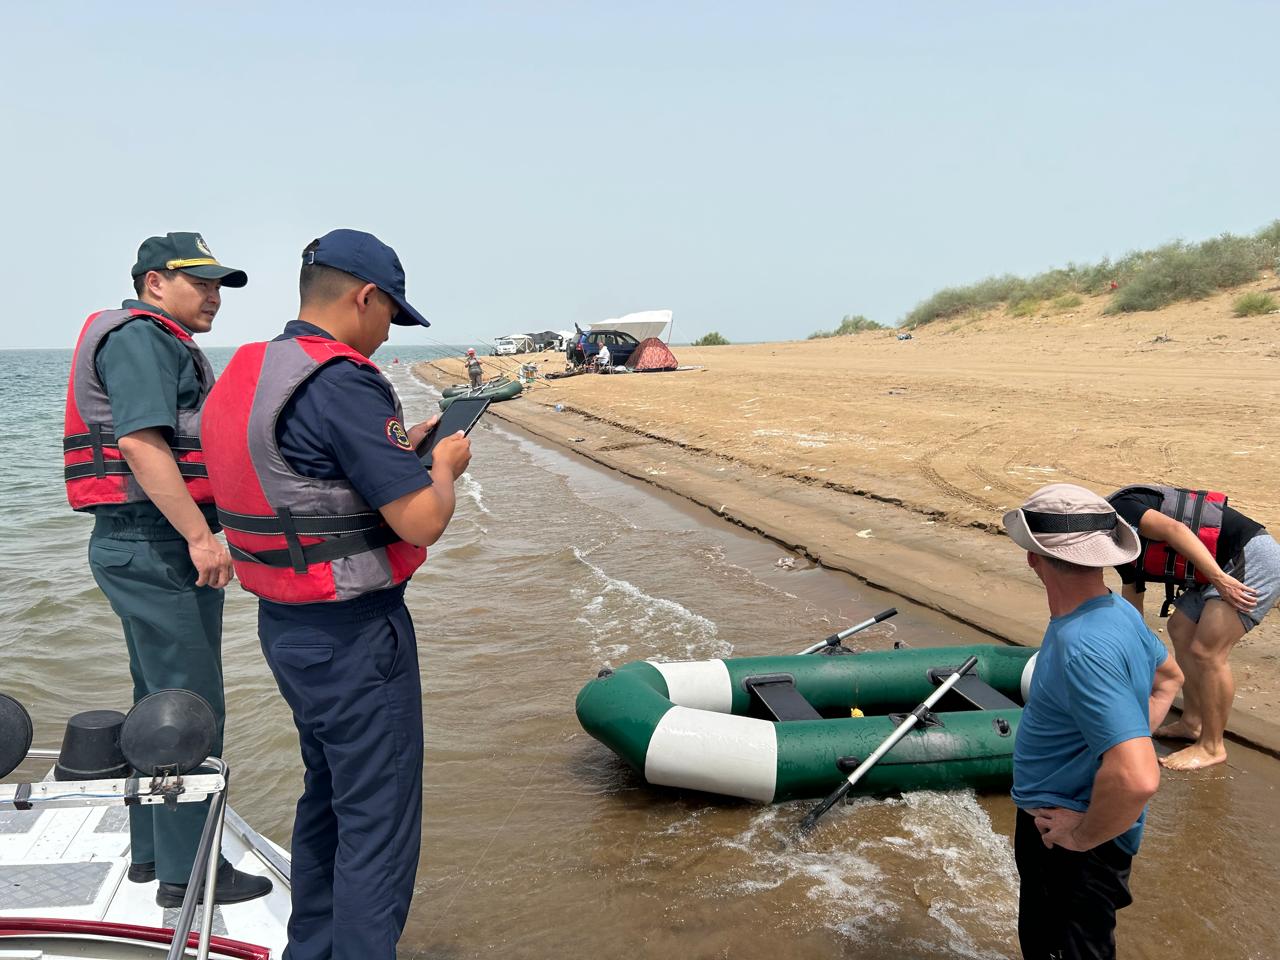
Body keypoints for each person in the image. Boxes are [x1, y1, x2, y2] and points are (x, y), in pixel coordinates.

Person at [200, 229, 471, 959]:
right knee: (377, 828)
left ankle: (310, 949)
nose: (387, 336)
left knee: (327, 801)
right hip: (356, 635)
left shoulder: (249, 370)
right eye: (391, 317)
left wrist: (399, 454)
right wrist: (443, 464)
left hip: (285, 627)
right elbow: (421, 519)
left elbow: (306, 479)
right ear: (365, 297)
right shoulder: (343, 379)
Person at [63, 232, 271, 906]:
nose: (214, 296)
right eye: (200, 282)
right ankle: (190, 875)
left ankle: (154, 857)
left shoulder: (139, 336)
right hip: (155, 542)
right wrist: (201, 538)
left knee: (156, 701)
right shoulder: (144, 338)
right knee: (189, 706)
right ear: (155, 282)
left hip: (135, 543)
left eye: (220, 285)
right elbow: (139, 442)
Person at [1003, 483, 1183, 960]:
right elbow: (1168, 679)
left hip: (1071, 836)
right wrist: (1119, 739)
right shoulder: (1115, 611)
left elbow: (1138, 776)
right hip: (1081, 822)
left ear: (1032, 558)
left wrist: (1080, 836)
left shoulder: (1083, 645)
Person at [1107, 484, 1278, 770]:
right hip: (1215, 569)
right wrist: (1133, 654)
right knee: (1180, 627)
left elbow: (1176, 531)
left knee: (1208, 651)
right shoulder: (1113, 544)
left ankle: (1212, 747)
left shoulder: (1120, 510)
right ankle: (1192, 722)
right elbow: (1133, 595)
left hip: (1251, 557)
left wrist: (1220, 580)